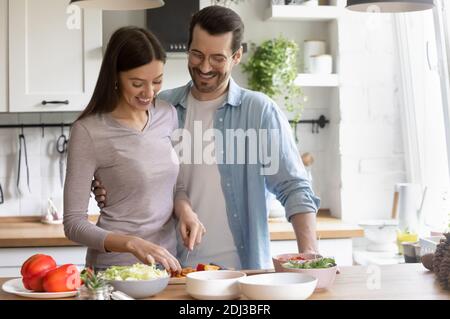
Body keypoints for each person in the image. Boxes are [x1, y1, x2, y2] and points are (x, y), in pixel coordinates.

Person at [93, 6, 320, 270]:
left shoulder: (259, 112)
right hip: (170, 269)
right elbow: (130, 167)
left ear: (236, 56)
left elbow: (293, 187)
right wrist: (108, 185)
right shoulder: (159, 108)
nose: (204, 67)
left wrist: (310, 255)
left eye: (217, 58)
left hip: (242, 272)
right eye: (197, 54)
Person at [64, 26, 205, 273]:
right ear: (115, 77)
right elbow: (73, 223)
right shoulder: (88, 130)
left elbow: (174, 185)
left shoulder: (167, 114)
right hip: (113, 270)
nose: (149, 93)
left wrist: (186, 212)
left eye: (157, 81)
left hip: (165, 266)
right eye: (137, 83)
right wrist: (130, 243)